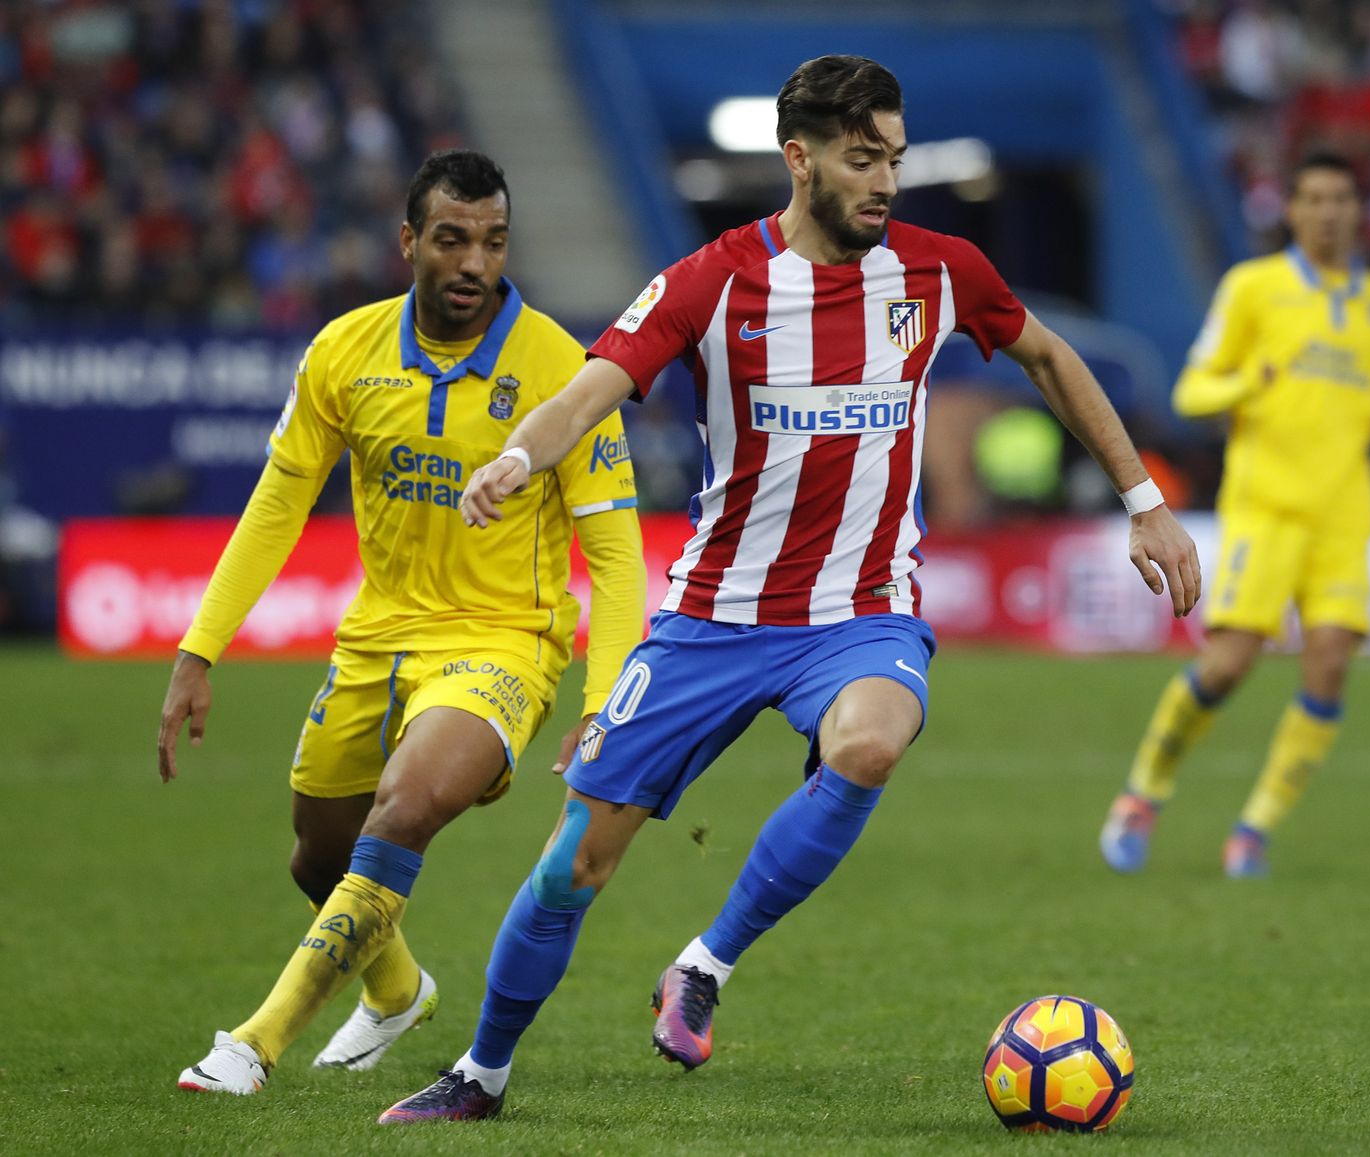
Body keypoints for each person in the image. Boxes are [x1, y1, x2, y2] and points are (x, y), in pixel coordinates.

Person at [379, 56, 1199, 1125]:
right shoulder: (712, 280)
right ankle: (479, 1073)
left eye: (895, 160)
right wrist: (520, 459)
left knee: (869, 740)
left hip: (859, 613)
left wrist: (1142, 495)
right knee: (576, 862)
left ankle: (706, 962)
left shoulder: (936, 271)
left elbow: (1045, 355)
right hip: (713, 616)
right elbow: (591, 385)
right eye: (864, 160)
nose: (886, 183)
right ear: (798, 158)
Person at [158, 149, 646, 1094]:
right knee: (321, 853)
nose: (474, 263)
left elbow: (618, 553)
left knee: (406, 806)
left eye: (494, 242)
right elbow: (276, 506)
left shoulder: (558, 367)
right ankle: (397, 988)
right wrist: (198, 648)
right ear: (410, 241)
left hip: (504, 642)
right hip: (376, 639)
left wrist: (607, 698)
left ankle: (252, 1044)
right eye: (454, 239)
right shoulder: (345, 351)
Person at [1099, 150, 1370, 879]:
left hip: (1344, 513)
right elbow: (1190, 393)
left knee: (1331, 661)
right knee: (1229, 664)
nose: (1329, 211)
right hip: (1265, 509)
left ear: (1356, 211)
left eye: (1341, 198)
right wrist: (1249, 380)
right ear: (1294, 210)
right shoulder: (1253, 289)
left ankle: (1254, 830)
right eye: (1315, 198)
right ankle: (1143, 793)